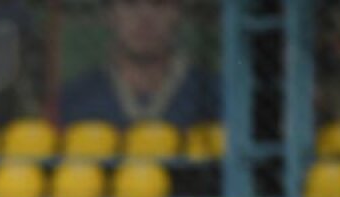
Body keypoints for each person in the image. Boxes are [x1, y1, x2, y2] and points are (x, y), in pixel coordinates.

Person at [60, 0, 221, 128]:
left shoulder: (213, 96)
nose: (145, 17)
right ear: (110, 14)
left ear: (177, 12)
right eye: (130, 3)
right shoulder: (75, 99)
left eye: (158, 3)